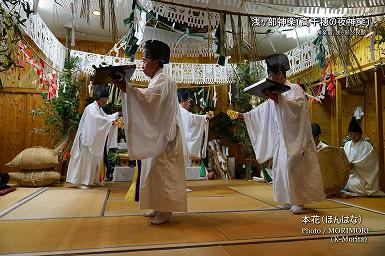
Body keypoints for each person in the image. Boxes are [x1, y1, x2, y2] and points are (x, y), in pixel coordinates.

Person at [238, 53, 325, 214]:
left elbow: (297, 107)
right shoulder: (276, 92)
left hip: (297, 139)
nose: (270, 79)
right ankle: (288, 199)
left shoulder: (295, 89)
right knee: (282, 168)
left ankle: (298, 201)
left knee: (295, 168)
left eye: (271, 75)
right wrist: (246, 116)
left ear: (279, 74)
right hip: (282, 139)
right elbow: (264, 111)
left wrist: (279, 99)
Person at [112, 40, 187, 225]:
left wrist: (126, 87)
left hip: (166, 135)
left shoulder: (163, 79)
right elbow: (148, 99)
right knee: (154, 172)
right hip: (160, 133)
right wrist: (126, 88)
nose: (142, 64)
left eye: (145, 59)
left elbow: (149, 100)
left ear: (156, 62)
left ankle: (166, 209)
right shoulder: (157, 79)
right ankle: (158, 205)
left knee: (163, 172)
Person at [66, 85, 119, 188]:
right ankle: (82, 181)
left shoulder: (98, 108)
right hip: (86, 139)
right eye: (106, 98)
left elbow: (105, 117)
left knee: (94, 159)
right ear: (101, 98)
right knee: (86, 160)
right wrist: (110, 121)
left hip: (92, 138)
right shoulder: (91, 108)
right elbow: (96, 119)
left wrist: (115, 116)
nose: (106, 101)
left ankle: (91, 180)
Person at [177, 89, 212, 191]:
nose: (189, 103)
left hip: (177, 141)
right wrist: (205, 117)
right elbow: (192, 120)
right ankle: (180, 186)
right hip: (180, 141)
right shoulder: (182, 111)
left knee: (180, 165)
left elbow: (192, 119)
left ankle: (178, 185)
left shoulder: (177, 110)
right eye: (188, 101)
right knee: (181, 165)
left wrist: (203, 118)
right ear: (183, 101)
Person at [343, 117, 385, 196]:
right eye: (351, 134)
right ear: (348, 134)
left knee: (352, 184)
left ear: (360, 134)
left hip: (362, 176)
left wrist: (354, 165)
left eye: (355, 134)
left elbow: (369, 164)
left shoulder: (366, 146)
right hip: (349, 174)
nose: (353, 136)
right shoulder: (347, 145)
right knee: (342, 182)